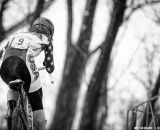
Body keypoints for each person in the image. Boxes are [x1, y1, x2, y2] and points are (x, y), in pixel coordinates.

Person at [0, 17, 55, 130]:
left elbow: (1, 52)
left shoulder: (18, 35)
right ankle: (40, 124)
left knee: (13, 84)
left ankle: (11, 108)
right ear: (49, 32)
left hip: (5, 67)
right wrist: (48, 66)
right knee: (37, 101)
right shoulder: (46, 39)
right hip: (24, 65)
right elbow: (49, 66)